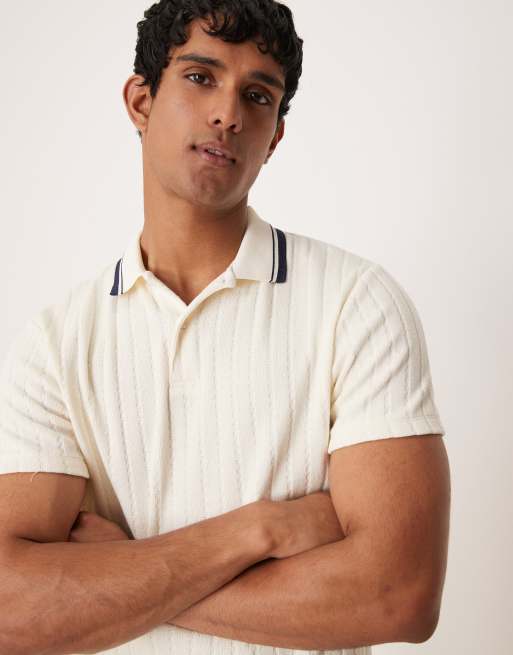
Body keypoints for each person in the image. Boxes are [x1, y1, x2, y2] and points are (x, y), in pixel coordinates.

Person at [0, 1, 450, 654]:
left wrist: (120, 573)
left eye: (257, 95)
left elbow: (398, 594)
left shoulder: (356, 303)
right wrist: (258, 531)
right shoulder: (55, 343)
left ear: (275, 136)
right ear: (140, 102)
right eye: (200, 77)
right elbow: (10, 610)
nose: (228, 114)